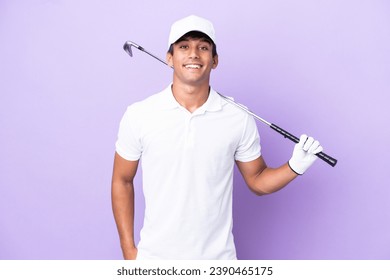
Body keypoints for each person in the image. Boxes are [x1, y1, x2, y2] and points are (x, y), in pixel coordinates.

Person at [111, 15, 323, 260]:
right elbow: (122, 180)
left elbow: (257, 181)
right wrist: (129, 250)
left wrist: (294, 166)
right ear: (170, 58)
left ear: (215, 60)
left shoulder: (238, 117)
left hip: (218, 263)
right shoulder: (139, 114)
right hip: (154, 261)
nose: (193, 54)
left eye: (203, 47)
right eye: (183, 47)